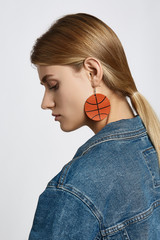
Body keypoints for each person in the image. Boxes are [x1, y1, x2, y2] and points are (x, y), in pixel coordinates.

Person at [28, 13, 160, 240]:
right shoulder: (150, 147)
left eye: (53, 85)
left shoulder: (74, 190)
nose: (45, 103)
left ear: (93, 72)